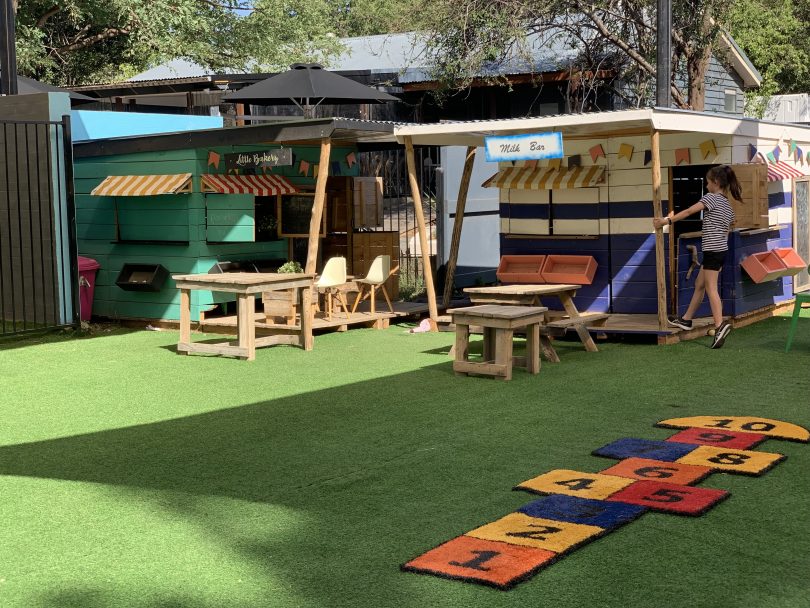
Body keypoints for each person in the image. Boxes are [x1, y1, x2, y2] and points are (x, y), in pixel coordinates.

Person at [652, 165, 741, 349]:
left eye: (708, 182)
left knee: (710, 288)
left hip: (713, 251)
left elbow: (688, 212)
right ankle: (686, 319)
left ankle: (719, 326)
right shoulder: (728, 205)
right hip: (719, 250)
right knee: (700, 284)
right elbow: (727, 230)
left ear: (716, 183)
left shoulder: (711, 198)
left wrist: (666, 221)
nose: (706, 186)